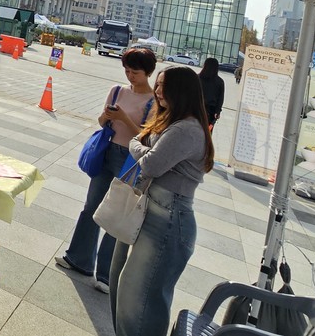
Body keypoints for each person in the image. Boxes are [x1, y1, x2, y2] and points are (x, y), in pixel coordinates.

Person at [107, 66, 213, 336]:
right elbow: (141, 143)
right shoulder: (170, 121)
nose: (158, 91)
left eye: (166, 86)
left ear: (183, 91)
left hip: (168, 220)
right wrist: (142, 146)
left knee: (141, 298)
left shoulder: (187, 129)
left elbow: (151, 164)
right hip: (148, 210)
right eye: (158, 84)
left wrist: (138, 146)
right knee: (122, 285)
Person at [57, 47, 157, 294]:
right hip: (107, 150)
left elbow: (146, 137)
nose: (130, 76)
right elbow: (102, 123)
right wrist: (107, 117)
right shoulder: (117, 91)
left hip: (130, 158)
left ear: (148, 72)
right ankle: (78, 259)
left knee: (116, 214)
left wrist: (123, 118)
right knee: (92, 205)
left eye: (135, 72)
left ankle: (106, 274)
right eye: (127, 70)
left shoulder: (153, 101)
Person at [199, 57, 225, 130]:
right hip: (210, 113)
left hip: (196, 109)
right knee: (207, 133)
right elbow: (220, 99)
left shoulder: (197, 78)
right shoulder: (220, 82)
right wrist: (218, 111)